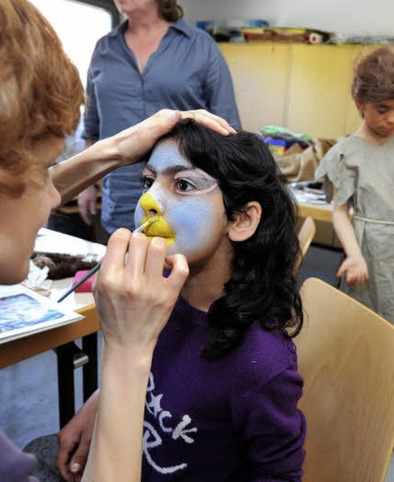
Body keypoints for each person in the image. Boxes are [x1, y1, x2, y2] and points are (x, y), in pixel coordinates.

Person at [0, 1, 234, 480]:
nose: (53, 195)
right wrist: (122, 371)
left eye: (183, 184)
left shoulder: (256, 359)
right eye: (42, 170)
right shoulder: (105, 50)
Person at [55, 121, 307, 481]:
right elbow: (156, 373)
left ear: (241, 219)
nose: (148, 201)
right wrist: (100, 403)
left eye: (183, 184)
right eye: (148, 181)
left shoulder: (261, 365)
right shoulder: (157, 301)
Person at [315, 47, 394, 449]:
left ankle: (387, 418)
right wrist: (353, 253)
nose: (390, 118)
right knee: (364, 339)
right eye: (381, 109)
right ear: (359, 103)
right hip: (368, 252)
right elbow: (340, 211)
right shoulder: (346, 154)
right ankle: (356, 414)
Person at [77, 0, 241, 236]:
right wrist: (87, 185)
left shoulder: (200, 46)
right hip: (119, 200)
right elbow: (91, 129)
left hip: (184, 202)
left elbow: (228, 128)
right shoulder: (104, 49)